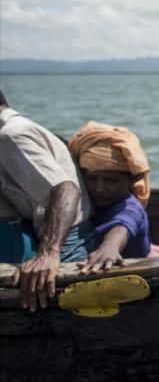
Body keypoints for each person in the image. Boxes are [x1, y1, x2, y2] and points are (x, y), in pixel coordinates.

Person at [0, 89, 94, 312]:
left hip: (65, 242)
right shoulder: (17, 128)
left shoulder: (10, 135)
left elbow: (66, 189)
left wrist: (48, 254)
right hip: (64, 234)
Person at [68, 121, 154, 274]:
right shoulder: (86, 200)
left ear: (133, 179)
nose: (99, 188)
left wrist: (109, 247)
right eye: (92, 178)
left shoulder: (130, 207)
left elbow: (123, 226)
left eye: (111, 181)